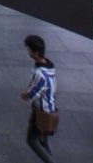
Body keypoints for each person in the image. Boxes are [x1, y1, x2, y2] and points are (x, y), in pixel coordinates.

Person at [21, 34, 57, 162]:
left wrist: (25, 94)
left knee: (32, 140)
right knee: (43, 140)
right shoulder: (49, 66)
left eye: (29, 49)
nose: (28, 52)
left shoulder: (40, 73)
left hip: (41, 111)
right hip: (50, 109)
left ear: (36, 52)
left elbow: (31, 94)